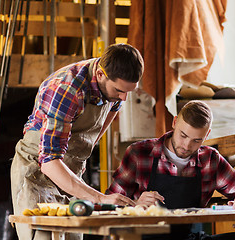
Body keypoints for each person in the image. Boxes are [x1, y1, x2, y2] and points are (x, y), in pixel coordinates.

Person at [11, 43, 143, 240]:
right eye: (119, 90)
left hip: (71, 169)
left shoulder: (116, 87)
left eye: (128, 92)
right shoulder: (66, 89)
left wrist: (79, 162)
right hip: (38, 170)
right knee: (43, 237)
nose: (123, 97)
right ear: (100, 74)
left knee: (74, 236)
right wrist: (100, 198)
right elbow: (49, 163)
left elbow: (103, 124)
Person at [107, 100, 235, 240]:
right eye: (183, 135)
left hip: (189, 237)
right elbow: (108, 204)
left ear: (207, 134)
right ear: (175, 122)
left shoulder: (209, 159)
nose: (186, 146)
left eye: (196, 140)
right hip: (143, 237)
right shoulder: (139, 153)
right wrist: (136, 205)